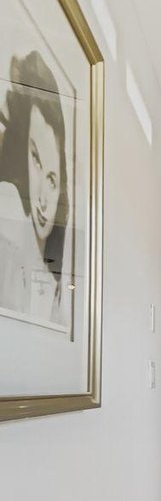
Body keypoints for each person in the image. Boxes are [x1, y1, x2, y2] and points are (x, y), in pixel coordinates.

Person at [0, 49, 71, 328]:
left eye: (52, 178)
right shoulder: (9, 237)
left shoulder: (55, 276)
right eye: (36, 160)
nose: (43, 196)